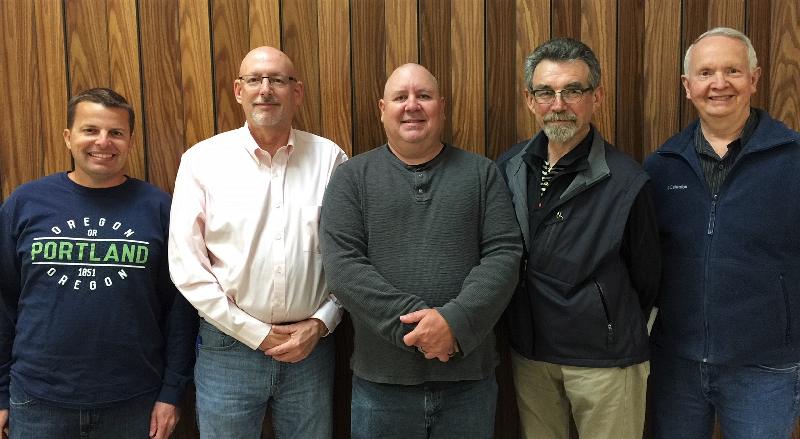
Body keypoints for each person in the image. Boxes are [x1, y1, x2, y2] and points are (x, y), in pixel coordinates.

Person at [320, 63, 522, 439]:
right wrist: (423, 331)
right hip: (382, 385)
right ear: (382, 109)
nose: (412, 105)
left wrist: (454, 324)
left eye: (423, 96)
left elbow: (504, 255)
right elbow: (344, 269)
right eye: (400, 97)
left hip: (469, 383)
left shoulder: (482, 174)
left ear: (442, 107)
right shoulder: (351, 178)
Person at [168, 46, 347, 438]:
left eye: (277, 80)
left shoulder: (330, 159)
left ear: (296, 92)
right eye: (254, 80)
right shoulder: (202, 161)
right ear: (238, 90)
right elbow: (186, 264)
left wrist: (321, 323)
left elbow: (351, 257)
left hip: (311, 350)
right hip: (227, 349)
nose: (265, 90)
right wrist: (253, 331)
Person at [0, 87, 197, 439]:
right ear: (68, 137)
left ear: (130, 141)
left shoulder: (159, 208)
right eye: (90, 130)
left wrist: (172, 392)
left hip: (134, 400)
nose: (103, 142)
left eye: (116, 133)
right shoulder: (25, 203)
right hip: (37, 400)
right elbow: (2, 302)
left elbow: (180, 310)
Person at [496, 37, 660, 439]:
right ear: (530, 100)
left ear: (596, 96)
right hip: (530, 354)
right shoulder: (509, 167)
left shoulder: (627, 181)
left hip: (604, 361)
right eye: (546, 92)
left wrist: (603, 318)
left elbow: (648, 276)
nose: (558, 104)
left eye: (572, 90)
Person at [645, 27, 800, 439]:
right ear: (687, 86)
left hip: (765, 367)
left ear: (754, 78)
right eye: (706, 72)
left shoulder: (794, 160)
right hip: (676, 363)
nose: (719, 84)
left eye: (732, 70)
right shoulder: (660, 167)